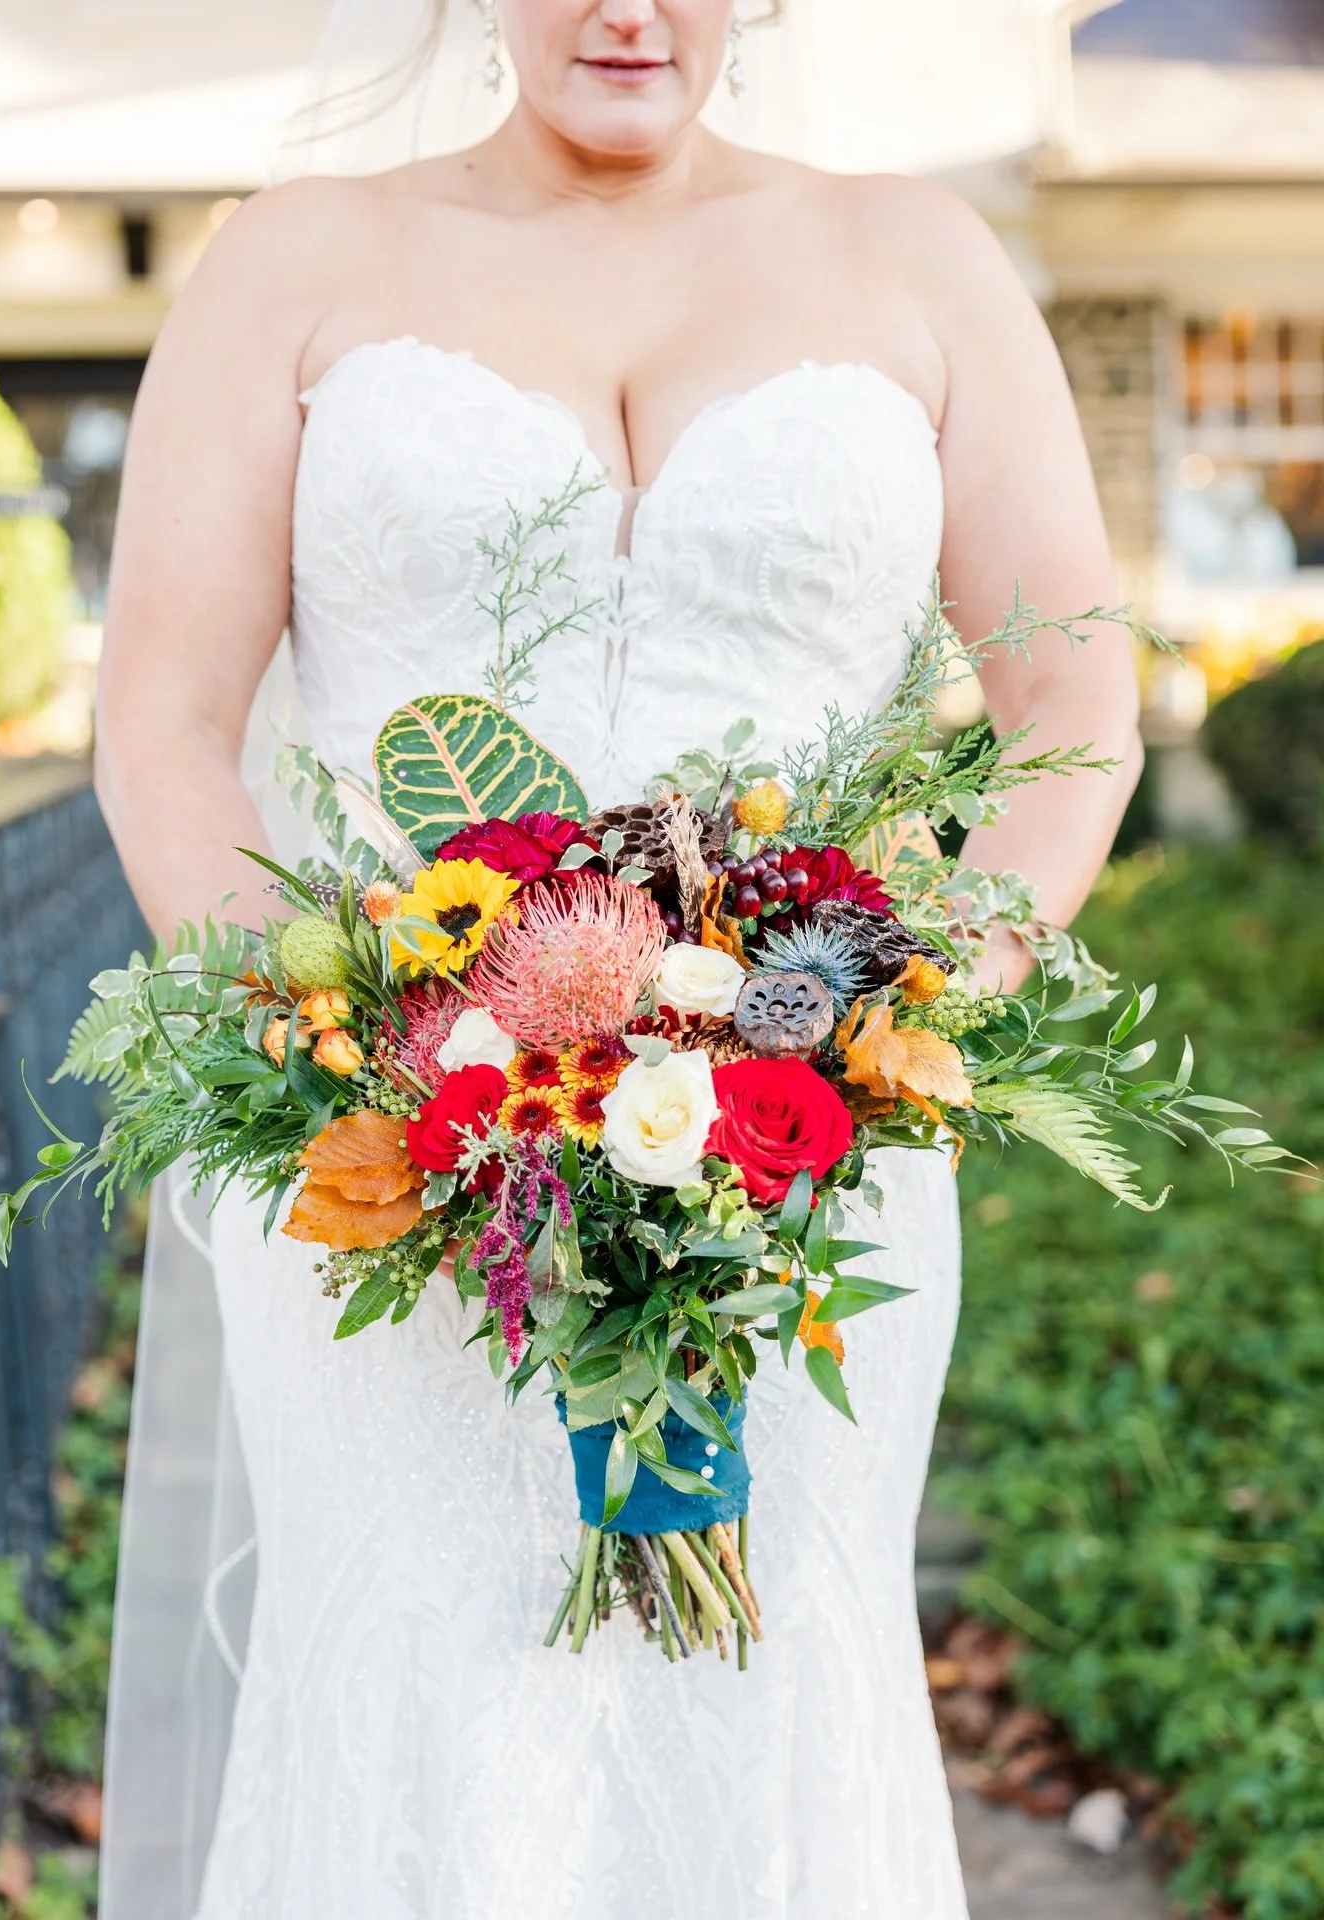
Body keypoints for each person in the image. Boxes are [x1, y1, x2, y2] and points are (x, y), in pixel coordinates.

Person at [95, 3, 1142, 1916]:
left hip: (803, 1155)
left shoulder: (918, 260)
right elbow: (162, 723)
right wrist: (363, 1053)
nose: (627, 8)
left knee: (773, 1674)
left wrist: (894, 1022)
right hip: (402, 1180)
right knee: (430, 1673)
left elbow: (1073, 682)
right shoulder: (295, 267)